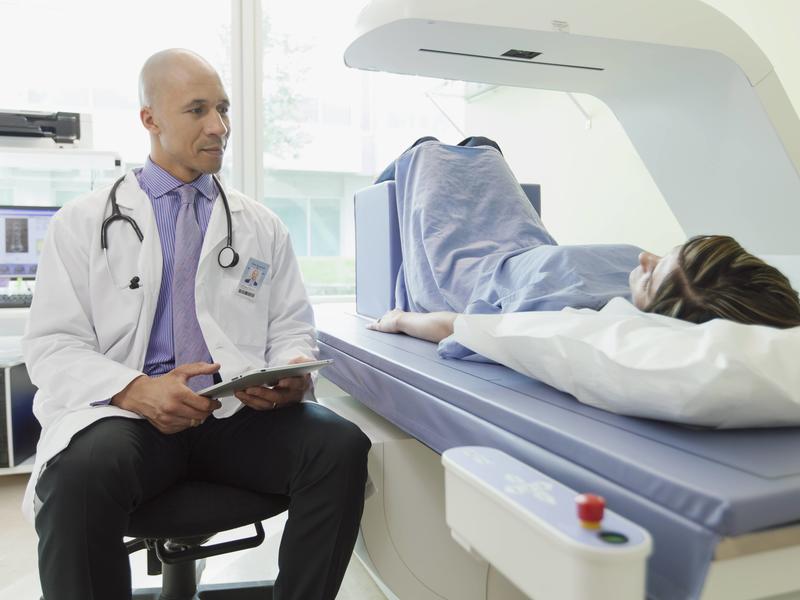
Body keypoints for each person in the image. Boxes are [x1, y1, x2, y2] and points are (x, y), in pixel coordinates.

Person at [22, 49, 370, 600]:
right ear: (150, 119)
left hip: (233, 416)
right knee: (81, 475)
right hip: (128, 418)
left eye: (224, 109)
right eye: (198, 110)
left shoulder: (261, 225)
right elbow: (52, 346)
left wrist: (294, 373)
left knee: (339, 446)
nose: (219, 127)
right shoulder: (82, 222)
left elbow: (291, 327)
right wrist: (137, 389)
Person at [367, 140, 800, 348]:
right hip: (524, 240)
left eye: (651, 275)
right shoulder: (684, 283)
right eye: (666, 253)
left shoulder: (578, 325)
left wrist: (400, 319)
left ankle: (388, 180)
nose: (645, 258)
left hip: (473, 265)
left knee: (428, 151)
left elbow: (459, 326)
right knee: (483, 147)